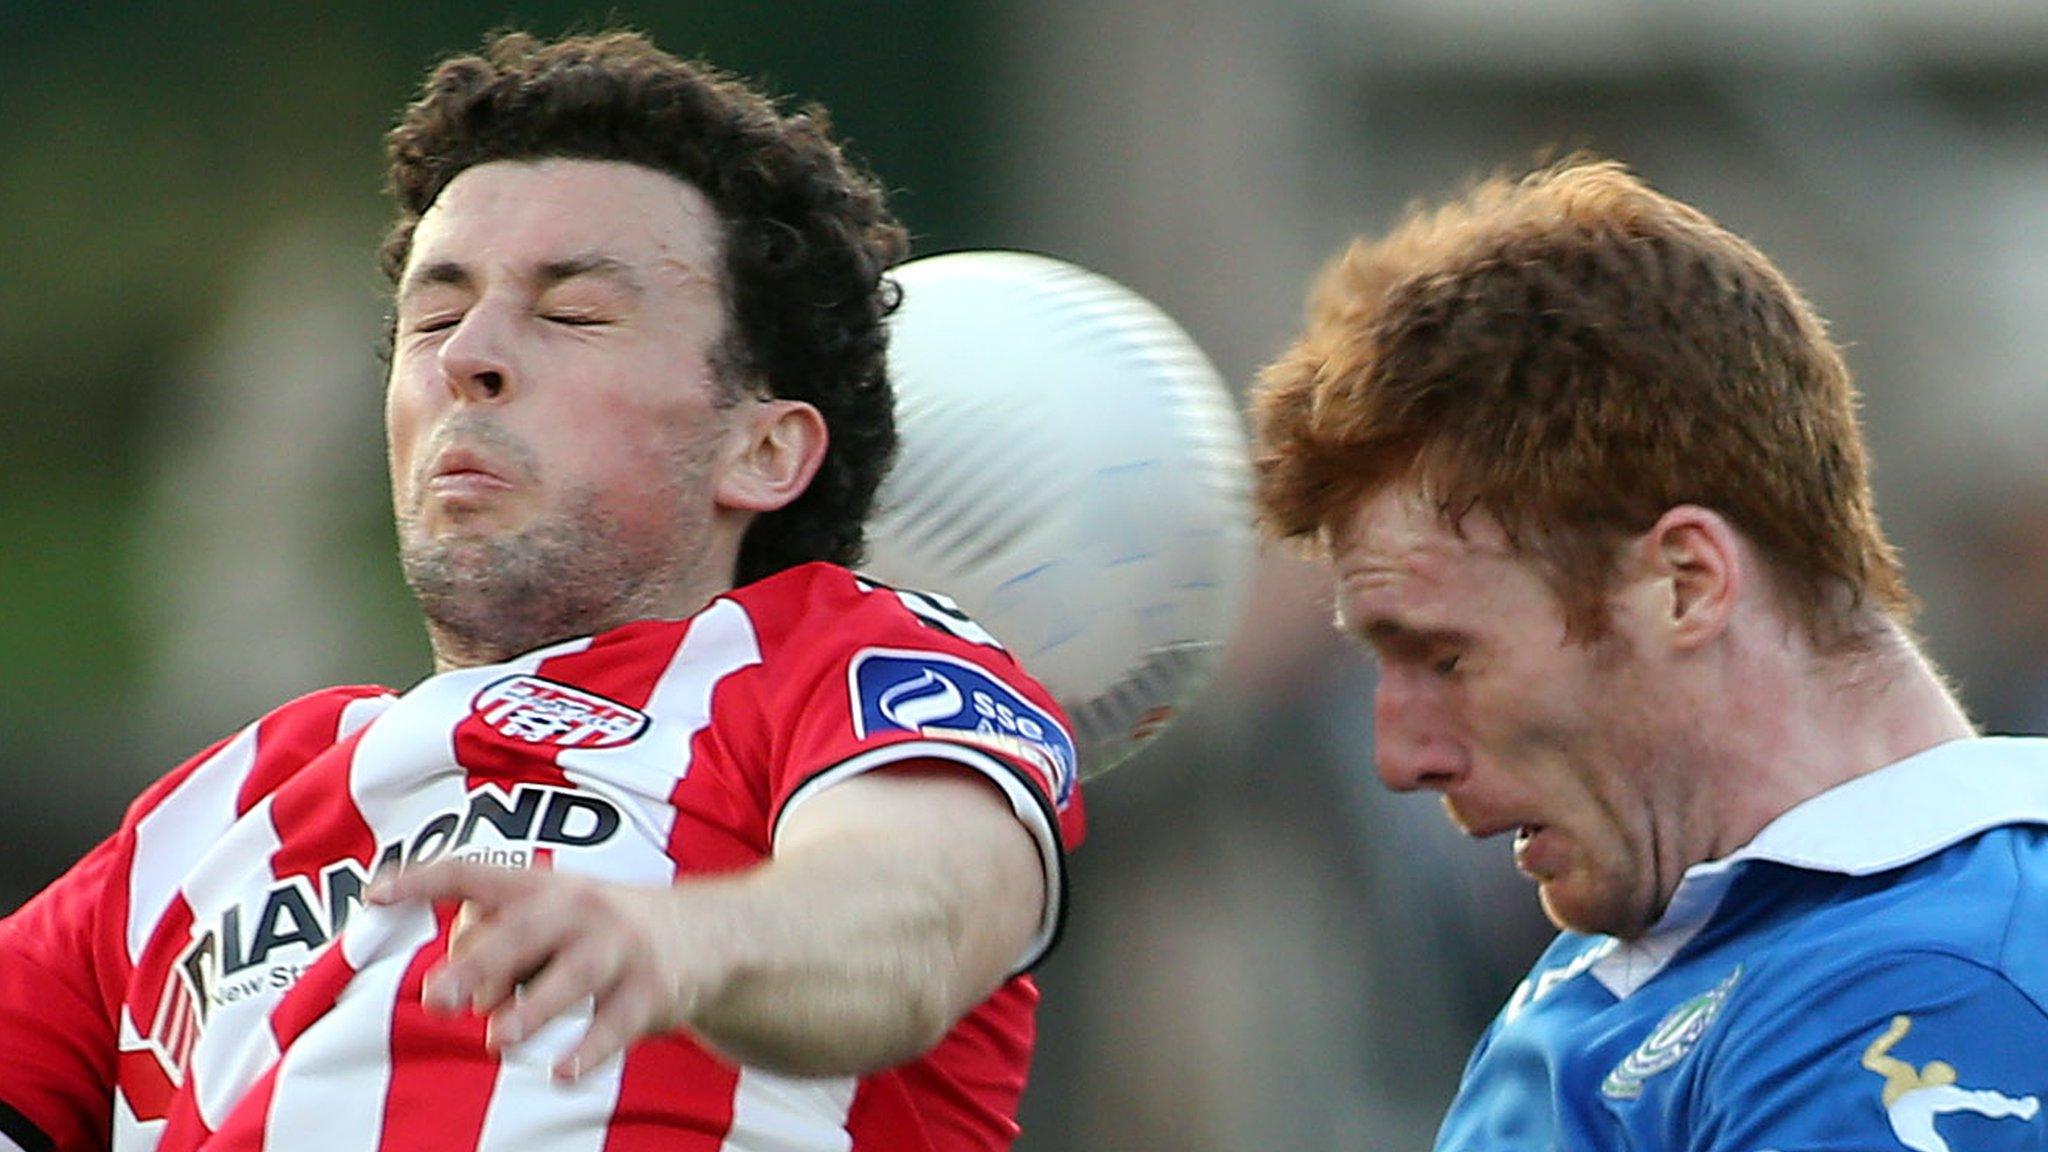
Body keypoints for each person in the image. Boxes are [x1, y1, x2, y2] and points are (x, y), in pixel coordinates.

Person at [0, 30, 1083, 1152]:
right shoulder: (212, 815)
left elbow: (917, 918)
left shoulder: (845, 659)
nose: (467, 355)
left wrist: (681, 943)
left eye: (570, 312)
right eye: (434, 315)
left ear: (761, 451)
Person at [1249, 157, 2048, 1150]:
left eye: (1446, 659)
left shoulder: (1942, 984)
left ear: (1684, 583)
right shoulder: (1627, 964)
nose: (1400, 757)